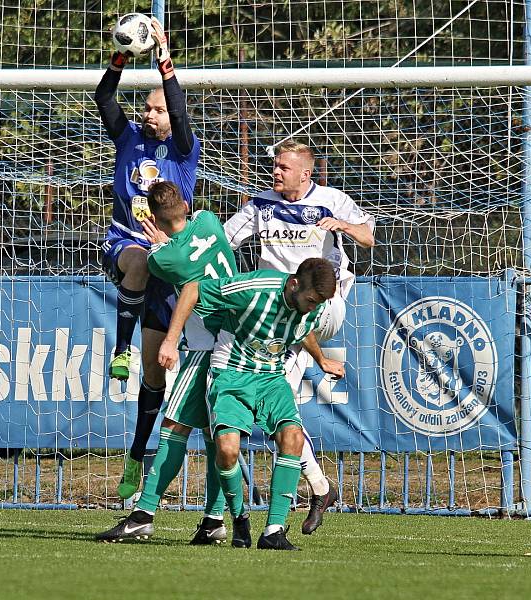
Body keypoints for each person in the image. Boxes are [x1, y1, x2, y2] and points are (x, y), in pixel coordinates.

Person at [224, 140, 375, 534]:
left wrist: (343, 226)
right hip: (281, 314)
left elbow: (368, 236)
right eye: (274, 166)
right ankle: (320, 487)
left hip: (325, 307)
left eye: (283, 168)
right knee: (278, 411)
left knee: (277, 406)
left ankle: (282, 509)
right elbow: (224, 242)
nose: (275, 172)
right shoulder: (261, 204)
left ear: (306, 173)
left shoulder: (331, 200)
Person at [159, 258, 338, 550]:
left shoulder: (311, 309)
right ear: (293, 284)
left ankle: (274, 531)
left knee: (292, 438)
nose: (314, 307)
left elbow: (304, 328)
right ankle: (240, 519)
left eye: (319, 303)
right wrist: (170, 340)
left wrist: (321, 359)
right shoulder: (256, 288)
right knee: (227, 451)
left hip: (271, 378)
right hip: (231, 373)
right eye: (310, 300)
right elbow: (192, 289)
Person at [94, 18, 201, 499]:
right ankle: (121, 349)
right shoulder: (128, 140)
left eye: (158, 108)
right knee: (137, 259)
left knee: (155, 377)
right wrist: (120, 56)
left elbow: (179, 109)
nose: (151, 114)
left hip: (170, 262)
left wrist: (163, 55)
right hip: (126, 242)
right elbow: (103, 98)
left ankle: (136, 457)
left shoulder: (182, 149)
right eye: (148, 107)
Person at [96, 181, 234, 544]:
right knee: (215, 435)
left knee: (174, 427)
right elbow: (190, 242)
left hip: (208, 349)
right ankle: (214, 519)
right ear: (187, 204)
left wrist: (158, 243)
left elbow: (166, 261)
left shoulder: (163, 259)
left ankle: (143, 514)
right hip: (237, 341)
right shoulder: (209, 220)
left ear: (152, 218)